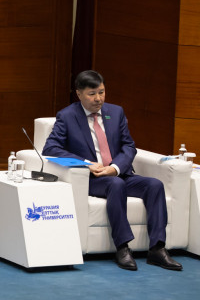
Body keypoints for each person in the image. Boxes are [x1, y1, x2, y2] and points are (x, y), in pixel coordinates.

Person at [42, 70, 181, 271]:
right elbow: (51, 148)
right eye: (92, 94)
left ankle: (157, 248)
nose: (98, 98)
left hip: (119, 173)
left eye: (102, 92)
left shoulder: (116, 112)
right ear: (78, 94)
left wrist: (115, 168)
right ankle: (122, 247)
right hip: (93, 178)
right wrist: (86, 163)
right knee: (115, 185)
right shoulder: (67, 116)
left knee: (154, 185)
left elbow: (128, 146)